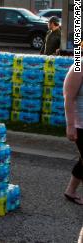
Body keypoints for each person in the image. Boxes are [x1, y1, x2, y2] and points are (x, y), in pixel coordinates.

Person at [63, 56, 83, 205]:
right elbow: (68, 97)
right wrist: (70, 126)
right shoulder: (78, 65)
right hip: (80, 124)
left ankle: (71, 190)